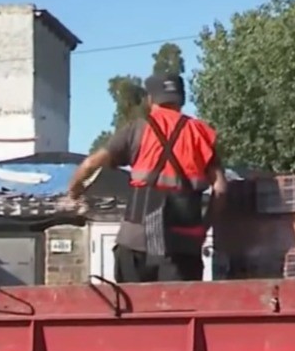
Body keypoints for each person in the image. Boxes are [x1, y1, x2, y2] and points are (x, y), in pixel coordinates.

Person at [66, 73, 227, 283]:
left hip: (136, 243)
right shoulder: (200, 132)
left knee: (136, 312)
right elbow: (221, 189)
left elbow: (90, 164)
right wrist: (203, 228)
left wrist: (74, 192)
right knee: (178, 313)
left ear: (150, 99)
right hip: (184, 246)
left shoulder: (137, 130)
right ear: (182, 99)